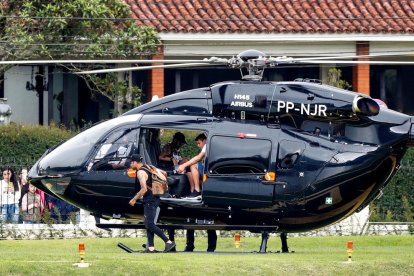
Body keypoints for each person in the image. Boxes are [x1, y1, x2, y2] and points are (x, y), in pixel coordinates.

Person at [128, 154, 176, 253]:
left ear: (135, 162)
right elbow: (164, 173)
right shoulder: (149, 167)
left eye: (131, 162)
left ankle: (169, 242)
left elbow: (144, 189)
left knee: (149, 224)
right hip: (155, 197)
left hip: (149, 199)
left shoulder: (140, 172)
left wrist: (134, 199)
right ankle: (151, 248)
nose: (130, 164)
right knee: (149, 223)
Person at [177, 133, 207, 197]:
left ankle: (197, 190)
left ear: (204, 141)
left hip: (208, 169)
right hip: (207, 168)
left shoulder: (206, 145)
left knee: (193, 166)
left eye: (199, 143)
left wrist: (183, 165)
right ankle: (192, 190)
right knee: (189, 169)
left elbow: (198, 158)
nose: (198, 146)